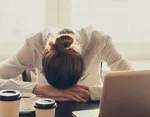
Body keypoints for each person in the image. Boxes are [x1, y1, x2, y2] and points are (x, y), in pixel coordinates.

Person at [0, 25, 133, 102]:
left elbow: (135, 83)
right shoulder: (33, 44)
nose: (66, 92)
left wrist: (91, 92)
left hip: (89, 108)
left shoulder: (100, 41)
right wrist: (38, 88)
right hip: (47, 107)